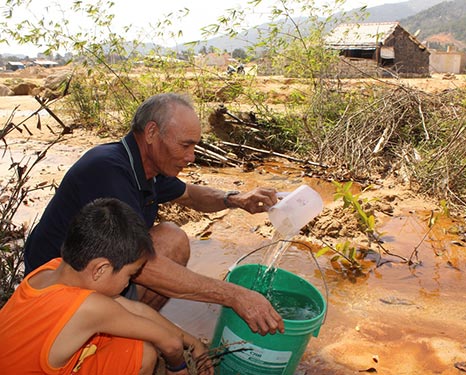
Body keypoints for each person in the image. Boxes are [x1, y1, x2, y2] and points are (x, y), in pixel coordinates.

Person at [24, 92, 284, 336]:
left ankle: (135, 332)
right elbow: (142, 265)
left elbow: (190, 195)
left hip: (94, 275)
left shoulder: (148, 168)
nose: (191, 156)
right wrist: (235, 295)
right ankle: (121, 339)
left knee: (172, 237)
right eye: (185, 145)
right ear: (151, 132)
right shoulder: (107, 170)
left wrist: (236, 199)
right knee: (161, 249)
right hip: (55, 291)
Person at [0, 198, 211, 375]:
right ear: (100, 269)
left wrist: (194, 343)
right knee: (142, 353)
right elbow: (171, 344)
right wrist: (178, 368)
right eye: (130, 275)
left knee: (133, 349)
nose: (129, 283)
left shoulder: (53, 269)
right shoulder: (89, 308)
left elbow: (136, 310)